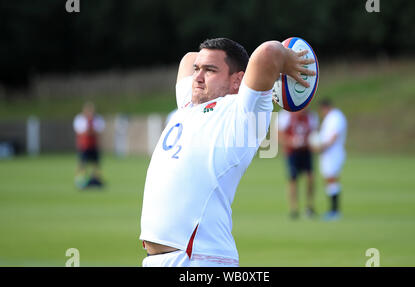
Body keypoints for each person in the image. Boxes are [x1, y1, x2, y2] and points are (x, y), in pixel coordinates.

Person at [139, 38, 316, 267]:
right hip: (165, 260)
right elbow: (188, 59)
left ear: (238, 80)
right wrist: (207, 61)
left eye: (210, 70)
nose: (198, 77)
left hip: (198, 259)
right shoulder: (190, 105)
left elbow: (269, 52)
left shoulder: (242, 113)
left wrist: (286, 59)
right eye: (198, 70)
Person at [278, 108, 319, 219]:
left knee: (310, 178)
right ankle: (294, 208)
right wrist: (291, 142)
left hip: (306, 151)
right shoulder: (285, 115)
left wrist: (312, 143)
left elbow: (314, 133)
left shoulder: (311, 116)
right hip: (292, 153)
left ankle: (309, 207)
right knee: (292, 179)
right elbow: (279, 135)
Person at [314, 99, 347, 221]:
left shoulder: (336, 117)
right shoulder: (330, 117)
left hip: (333, 153)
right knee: (329, 181)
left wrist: (322, 147)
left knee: (332, 180)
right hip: (328, 153)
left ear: (325, 107)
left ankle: (335, 211)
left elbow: (334, 136)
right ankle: (333, 210)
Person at [73, 102, 105, 189]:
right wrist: (90, 131)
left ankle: (95, 180)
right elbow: (81, 132)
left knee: (96, 163)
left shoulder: (97, 119)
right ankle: (81, 180)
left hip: (93, 145)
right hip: (84, 146)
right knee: (82, 163)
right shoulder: (80, 119)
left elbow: (98, 131)